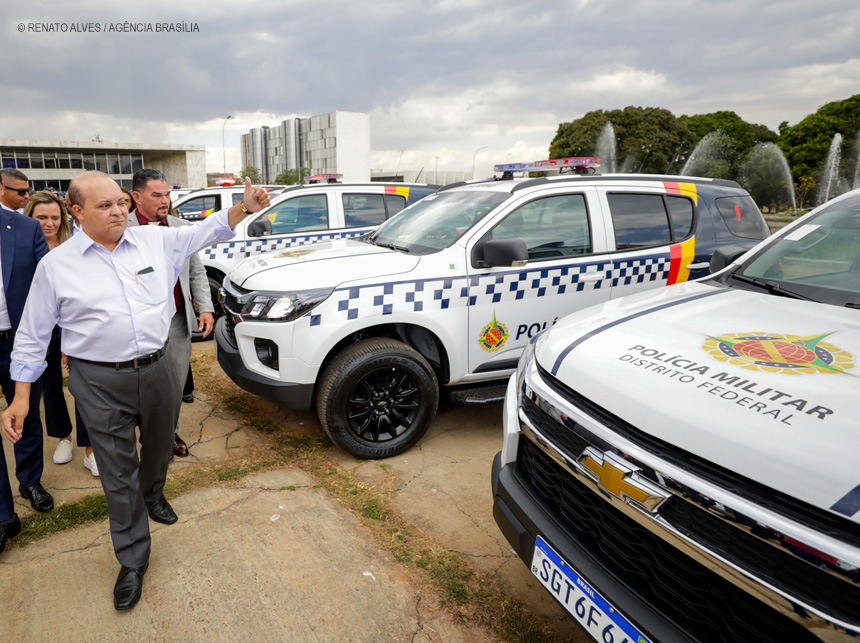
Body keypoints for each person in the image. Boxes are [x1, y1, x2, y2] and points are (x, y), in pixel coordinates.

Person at [1, 171, 270, 609]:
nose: (118, 210)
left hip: (160, 367)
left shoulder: (154, 241)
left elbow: (207, 229)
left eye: (121, 202)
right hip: (99, 380)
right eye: (104, 205)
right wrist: (20, 397)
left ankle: (154, 493)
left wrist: (244, 208)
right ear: (77, 211)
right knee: (116, 469)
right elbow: (31, 337)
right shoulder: (56, 266)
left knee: (160, 446)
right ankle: (132, 557)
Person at [130, 169, 215, 457]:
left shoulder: (180, 227)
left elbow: (197, 271)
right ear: (136, 197)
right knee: (143, 386)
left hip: (178, 323)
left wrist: (205, 306)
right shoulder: (122, 227)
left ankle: (168, 434)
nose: (165, 200)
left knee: (176, 383)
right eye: (157, 195)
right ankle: (146, 437)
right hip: (139, 326)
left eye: (167, 194)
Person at [22, 191, 97, 475]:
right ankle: (63, 437)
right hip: (41, 330)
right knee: (50, 388)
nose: (49, 223)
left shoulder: (74, 247)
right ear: (29, 217)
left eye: (55, 217)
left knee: (83, 388)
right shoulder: (21, 247)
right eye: (42, 217)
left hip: (74, 329)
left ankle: (90, 449)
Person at [0, 198, 52, 555]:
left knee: (25, 414)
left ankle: (30, 480)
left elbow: (48, 285)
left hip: (15, 343)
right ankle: (3, 515)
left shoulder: (25, 227)